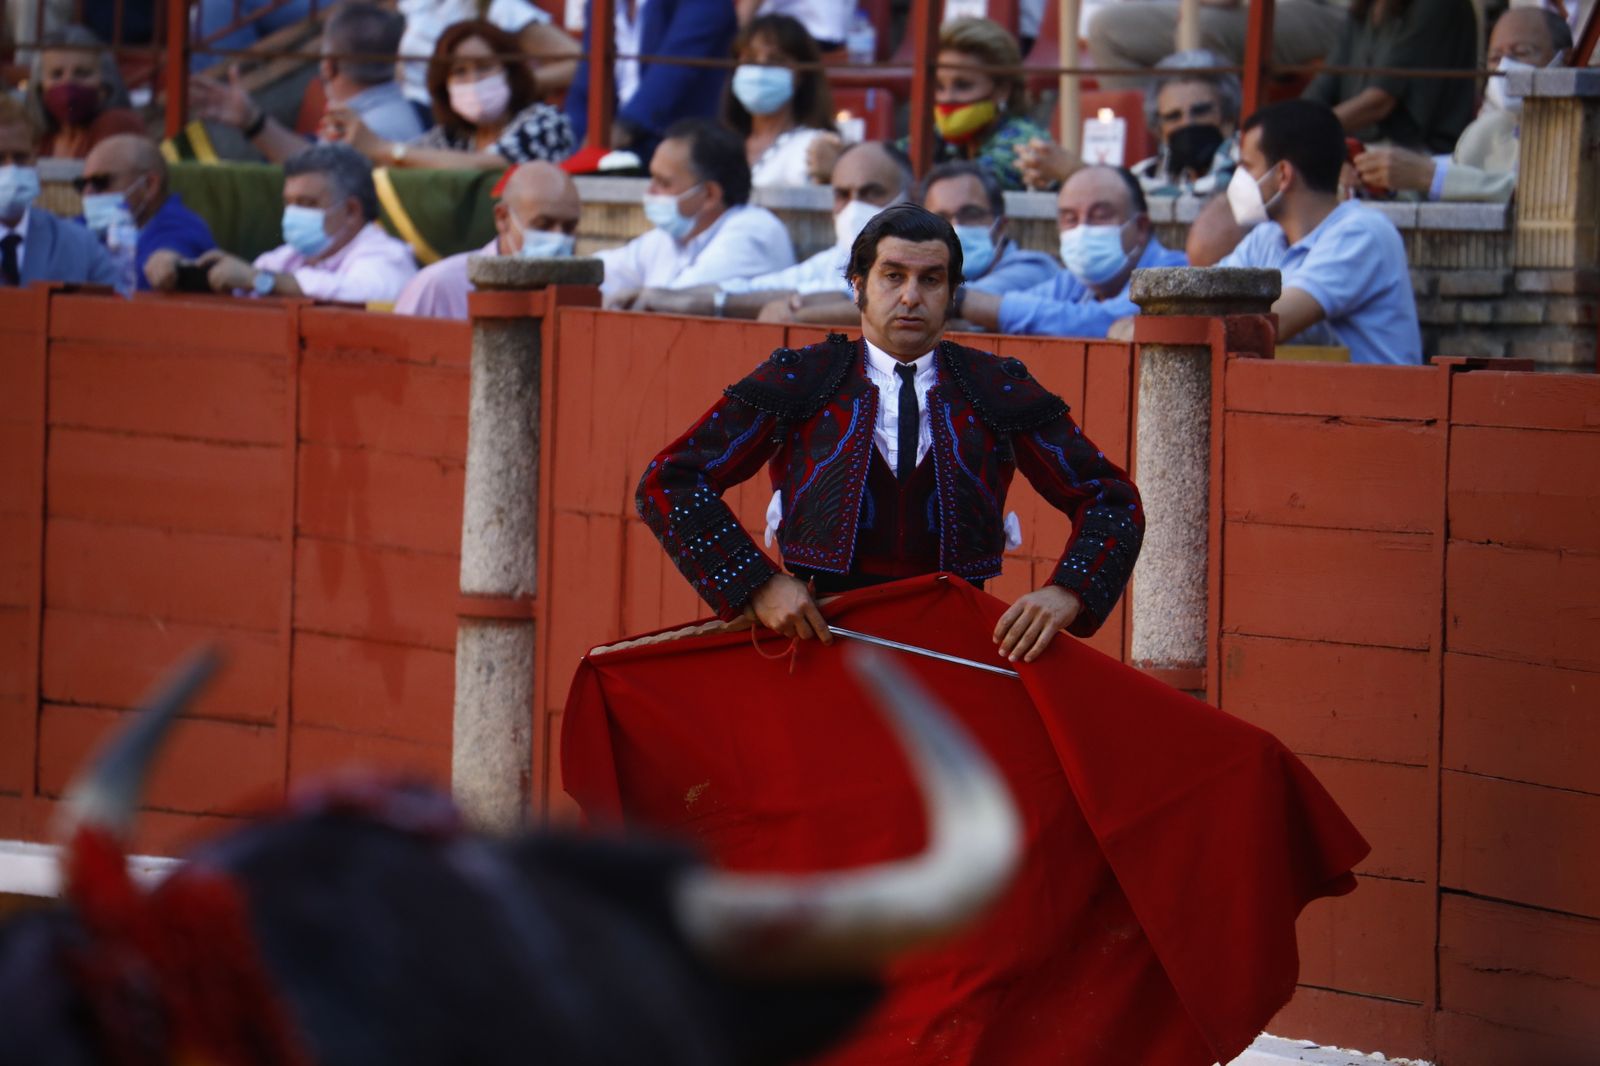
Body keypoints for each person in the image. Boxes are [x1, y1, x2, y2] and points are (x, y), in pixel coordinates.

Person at [636, 201, 1143, 661]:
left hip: (960, 655)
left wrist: (1068, 592)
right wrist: (758, 585)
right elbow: (671, 479)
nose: (910, 297)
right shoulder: (801, 378)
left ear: (951, 292)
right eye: (892, 276)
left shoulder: (995, 388)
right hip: (821, 645)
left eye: (931, 280)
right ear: (857, 284)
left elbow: (1111, 498)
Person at [1208, 100, 1422, 365]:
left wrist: (1190, 321)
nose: (1237, 179)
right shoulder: (1266, 237)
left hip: (1378, 403)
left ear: (1283, 175)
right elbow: (1205, 297)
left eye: (1247, 167)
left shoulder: (1362, 232)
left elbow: (1272, 323)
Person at [756, 159, 1061, 327]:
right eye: (942, 217)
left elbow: (940, 305)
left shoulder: (1033, 268)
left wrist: (797, 316)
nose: (955, 227)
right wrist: (804, 301)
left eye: (970, 214)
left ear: (1000, 226)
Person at [628, 139, 910, 318]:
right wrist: (669, 296)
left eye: (872, 193)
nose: (854, 208)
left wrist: (709, 303)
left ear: (913, 195)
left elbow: (843, 297)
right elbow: (766, 287)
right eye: (842, 195)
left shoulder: (937, 254)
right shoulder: (839, 258)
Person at [146, 144, 417, 304]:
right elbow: (251, 281)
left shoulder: (386, 256)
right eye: (289, 202)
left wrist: (260, 280)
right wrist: (191, 271)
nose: (293, 213)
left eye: (307, 203)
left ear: (351, 210)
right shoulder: (290, 257)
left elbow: (359, 294)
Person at [1352, 8, 1572, 202]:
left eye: (1522, 52)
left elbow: (1543, 200)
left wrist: (1430, 175)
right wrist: (1379, 183)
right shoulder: (1484, 131)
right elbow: (1437, 192)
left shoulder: (1584, 132)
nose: (1506, 66)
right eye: (1495, 58)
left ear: (1565, 60)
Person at [957, 165, 1187, 339]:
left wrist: (960, 300)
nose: (1082, 229)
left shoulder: (1173, 274)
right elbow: (1029, 304)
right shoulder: (1075, 282)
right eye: (1070, 218)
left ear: (1141, 227)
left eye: (1100, 216)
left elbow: (1098, 321)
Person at [188, 2, 422, 164]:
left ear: (327, 66)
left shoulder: (366, 126)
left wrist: (252, 121)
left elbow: (319, 174)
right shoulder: (390, 108)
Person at [598, 118, 795, 307]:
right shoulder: (670, 236)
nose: (650, 192)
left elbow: (674, 303)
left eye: (664, 183)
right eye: (653, 179)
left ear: (709, 195)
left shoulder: (755, 230)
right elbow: (601, 272)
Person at [328, 20, 575, 170]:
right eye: (459, 72)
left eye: (484, 66)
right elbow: (410, 161)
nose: (474, 81)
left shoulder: (544, 122)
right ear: (444, 86)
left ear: (510, 71)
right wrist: (353, 140)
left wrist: (384, 148)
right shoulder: (452, 137)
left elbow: (487, 166)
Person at [1017, 49, 1242, 198]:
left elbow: (1203, 195)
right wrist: (1051, 182)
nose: (1187, 123)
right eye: (1173, 117)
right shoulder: (1151, 171)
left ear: (1229, 118)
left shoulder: (1243, 160)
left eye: (1200, 111)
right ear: (1159, 130)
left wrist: (1081, 173)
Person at [395, 161, 582, 318]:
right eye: (542, 225)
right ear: (502, 218)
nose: (558, 238)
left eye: (569, 228)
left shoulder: (581, 292)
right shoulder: (438, 286)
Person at [565, 0, 739, 158]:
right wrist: (574, 146)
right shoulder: (599, 5)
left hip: (678, 146)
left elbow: (673, 70)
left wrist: (619, 130)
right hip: (611, 146)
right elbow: (585, 88)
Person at [894, 17, 1051, 193]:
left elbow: (969, 185)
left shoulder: (1025, 141)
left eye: (963, 85)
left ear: (1002, 89)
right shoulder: (940, 136)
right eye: (939, 87)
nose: (947, 98)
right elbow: (889, 163)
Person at [1302, 0, 1477, 154]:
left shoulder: (1436, 4)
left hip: (1419, 157)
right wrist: (1291, 125)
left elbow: (1380, 102)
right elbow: (1322, 88)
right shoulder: (1364, 8)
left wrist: (1306, 132)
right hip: (1363, 148)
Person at [1087, 0, 1344, 90]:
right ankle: (1159, 146)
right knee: (1106, 27)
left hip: (1322, 10)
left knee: (1203, 27)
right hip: (1227, 10)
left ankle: (1211, 147)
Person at [0, 95, 116, 287]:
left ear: (34, 158)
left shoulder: (80, 244)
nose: (11, 168)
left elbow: (117, 308)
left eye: (21, 157)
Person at [79, 133, 216, 291]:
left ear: (150, 185)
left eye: (100, 182)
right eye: (81, 184)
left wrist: (167, 261)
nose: (87, 193)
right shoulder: (87, 224)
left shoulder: (185, 228)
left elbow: (169, 259)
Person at [721, 14, 836, 188]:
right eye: (750, 60)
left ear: (800, 74)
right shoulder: (720, 146)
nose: (760, 70)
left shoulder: (814, 146)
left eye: (775, 60)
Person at [396, 0, 580, 108]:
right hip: (409, 106)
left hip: (471, 120)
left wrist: (508, 85)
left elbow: (580, 63)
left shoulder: (503, 8)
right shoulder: (416, 4)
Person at [28, 26, 144, 159]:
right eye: (57, 74)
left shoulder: (117, 125)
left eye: (82, 73)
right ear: (40, 86)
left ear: (105, 85)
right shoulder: (39, 139)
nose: (68, 83)